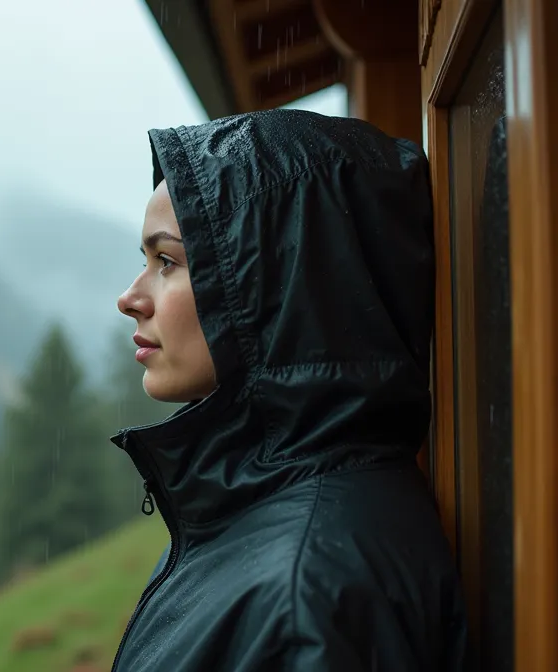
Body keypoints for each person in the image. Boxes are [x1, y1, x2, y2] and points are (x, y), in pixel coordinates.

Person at [110, 109, 468, 671]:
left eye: (168, 261)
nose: (129, 297)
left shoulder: (309, 597)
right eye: (146, 260)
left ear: (279, 282)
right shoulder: (268, 510)